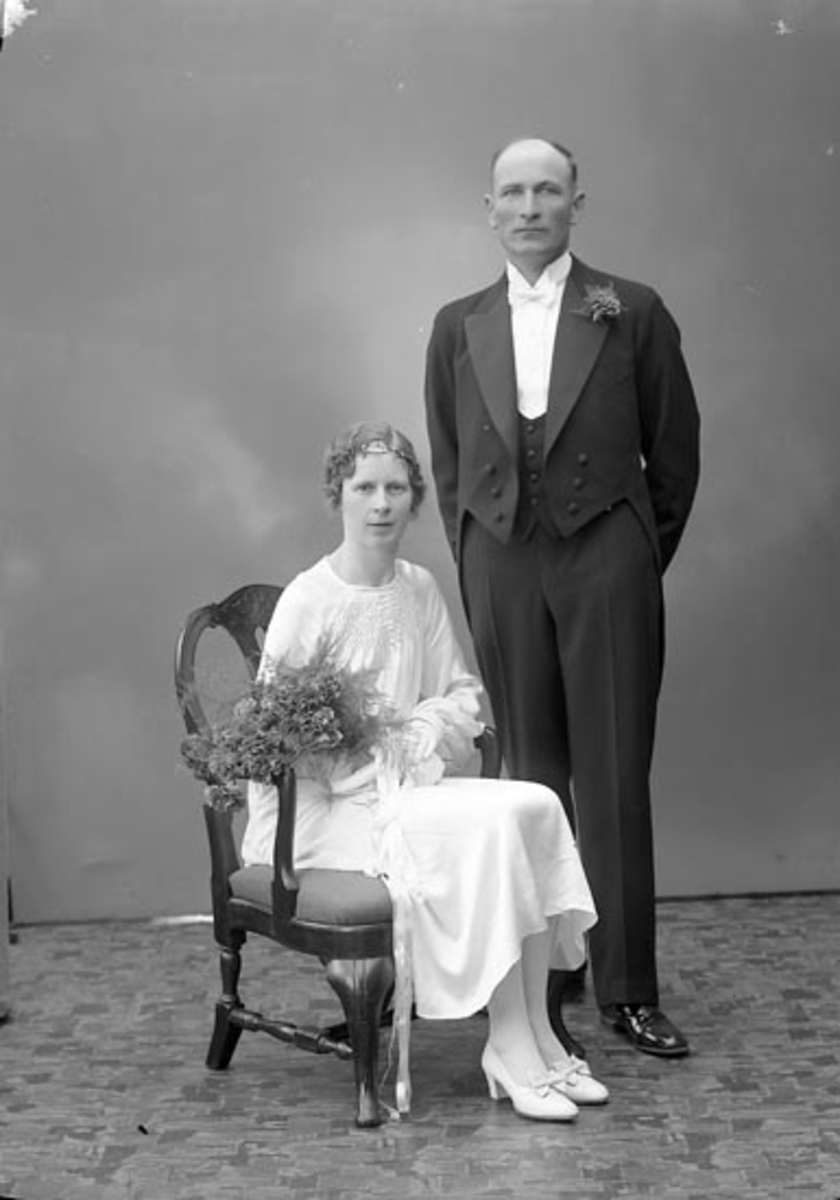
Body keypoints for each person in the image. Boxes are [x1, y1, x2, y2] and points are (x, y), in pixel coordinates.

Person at [242, 421, 607, 1122]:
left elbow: (462, 692)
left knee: (535, 805)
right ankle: (508, 1045)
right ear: (338, 495)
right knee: (487, 836)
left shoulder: (418, 586)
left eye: (396, 489)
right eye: (364, 488)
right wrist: (357, 750)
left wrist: (421, 730)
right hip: (320, 812)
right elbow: (272, 737)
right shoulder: (309, 599)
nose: (381, 504)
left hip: (407, 784)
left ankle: (538, 1036)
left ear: (414, 499)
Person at [424, 137, 700, 1058]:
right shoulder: (455, 325)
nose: (530, 206)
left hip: (608, 558)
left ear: (577, 203)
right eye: (513, 192)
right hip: (501, 561)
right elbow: (451, 465)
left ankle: (627, 989)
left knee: (614, 773)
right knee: (529, 776)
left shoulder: (634, 310)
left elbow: (675, 453)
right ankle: (550, 968)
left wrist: (633, 556)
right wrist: (479, 557)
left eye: (548, 190)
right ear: (489, 209)